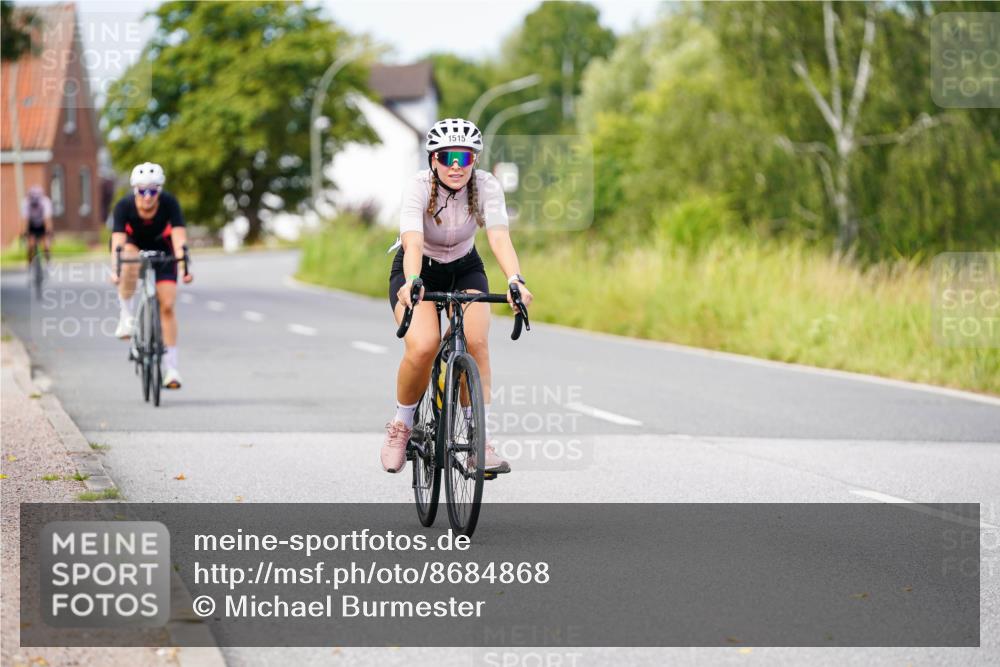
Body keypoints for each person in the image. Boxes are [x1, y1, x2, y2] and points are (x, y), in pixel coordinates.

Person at [381, 118, 534, 474]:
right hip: (418, 267)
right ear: (433, 159)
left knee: (476, 342)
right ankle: (402, 426)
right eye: (448, 156)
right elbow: (413, 240)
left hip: (465, 267)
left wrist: (515, 279)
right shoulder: (418, 187)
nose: (455, 165)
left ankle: (479, 444)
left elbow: (498, 236)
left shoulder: (486, 186)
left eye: (464, 158)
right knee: (423, 345)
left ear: (474, 161)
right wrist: (414, 279)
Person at [110, 162, 192, 389]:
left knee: (167, 305)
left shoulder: (169, 203)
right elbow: (117, 241)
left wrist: (184, 267)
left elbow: (179, 237)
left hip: (163, 250)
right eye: (142, 191)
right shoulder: (124, 206)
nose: (148, 196)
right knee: (128, 259)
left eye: (153, 190)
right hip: (132, 246)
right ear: (135, 190)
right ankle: (126, 316)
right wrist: (115, 270)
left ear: (160, 190)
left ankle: (172, 369)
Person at [22, 185, 53, 266]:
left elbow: (47, 219)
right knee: (30, 246)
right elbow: (25, 220)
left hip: (42, 224)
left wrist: (48, 231)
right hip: (32, 225)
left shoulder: (45, 202)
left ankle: (48, 263)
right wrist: (25, 232)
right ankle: (30, 266)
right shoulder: (26, 202)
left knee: (46, 245)